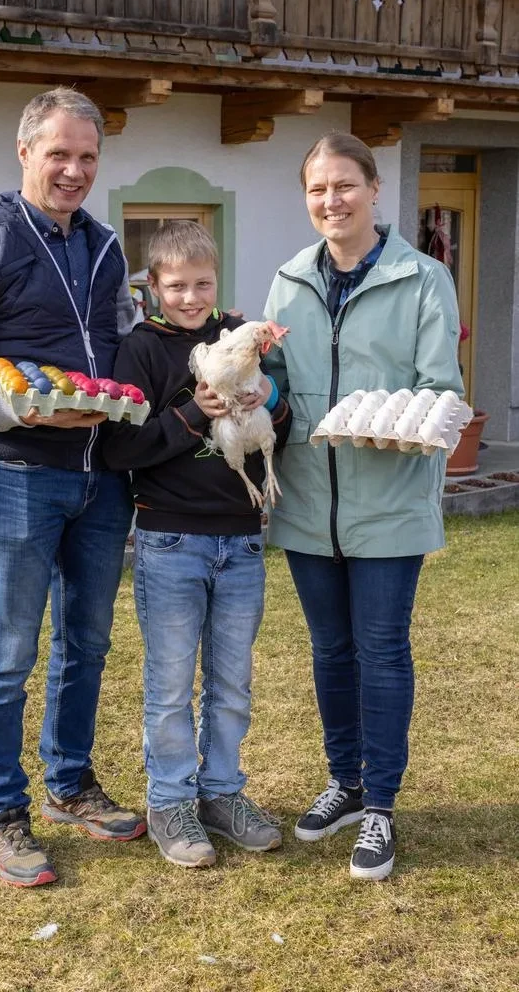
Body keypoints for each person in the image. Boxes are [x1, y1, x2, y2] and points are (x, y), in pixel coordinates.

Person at [0, 87, 146, 889]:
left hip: (100, 480)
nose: (76, 171)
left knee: (87, 643)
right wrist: (19, 411)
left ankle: (70, 784)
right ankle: (0, 812)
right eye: (60, 154)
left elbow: (125, 353)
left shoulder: (108, 247)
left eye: (88, 156)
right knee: (10, 652)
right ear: (25, 154)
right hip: (18, 476)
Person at [262, 132, 464, 881]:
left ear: (375, 189)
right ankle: (343, 781)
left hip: (388, 502)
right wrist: (255, 391)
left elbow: (442, 386)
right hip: (311, 501)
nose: (330, 201)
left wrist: (397, 418)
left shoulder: (422, 278)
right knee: (329, 652)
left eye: (344, 185)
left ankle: (379, 804)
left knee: (382, 651)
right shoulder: (289, 280)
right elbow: (277, 382)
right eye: (317, 189)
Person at [103, 220, 289, 867]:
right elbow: (120, 446)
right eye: (176, 285)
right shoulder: (141, 350)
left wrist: (267, 396)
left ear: (217, 281)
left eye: (202, 284)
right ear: (152, 286)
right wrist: (191, 415)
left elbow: (276, 428)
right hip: (170, 537)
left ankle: (222, 792)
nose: (190, 296)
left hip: (240, 540)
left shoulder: (236, 338)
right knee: (171, 685)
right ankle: (172, 801)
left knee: (233, 684)